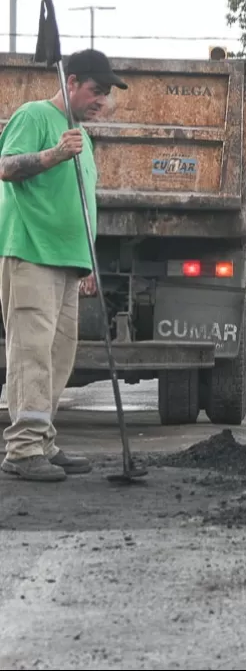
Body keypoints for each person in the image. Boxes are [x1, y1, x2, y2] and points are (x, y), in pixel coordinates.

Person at [0, 49, 127, 481]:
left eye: (107, 93)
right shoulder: (34, 116)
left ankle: (42, 440)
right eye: (97, 90)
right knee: (31, 353)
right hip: (32, 253)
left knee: (58, 356)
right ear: (71, 82)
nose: (102, 100)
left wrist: (88, 260)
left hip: (69, 262)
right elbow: (5, 167)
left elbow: (81, 203)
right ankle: (21, 449)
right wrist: (53, 155)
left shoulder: (83, 137)